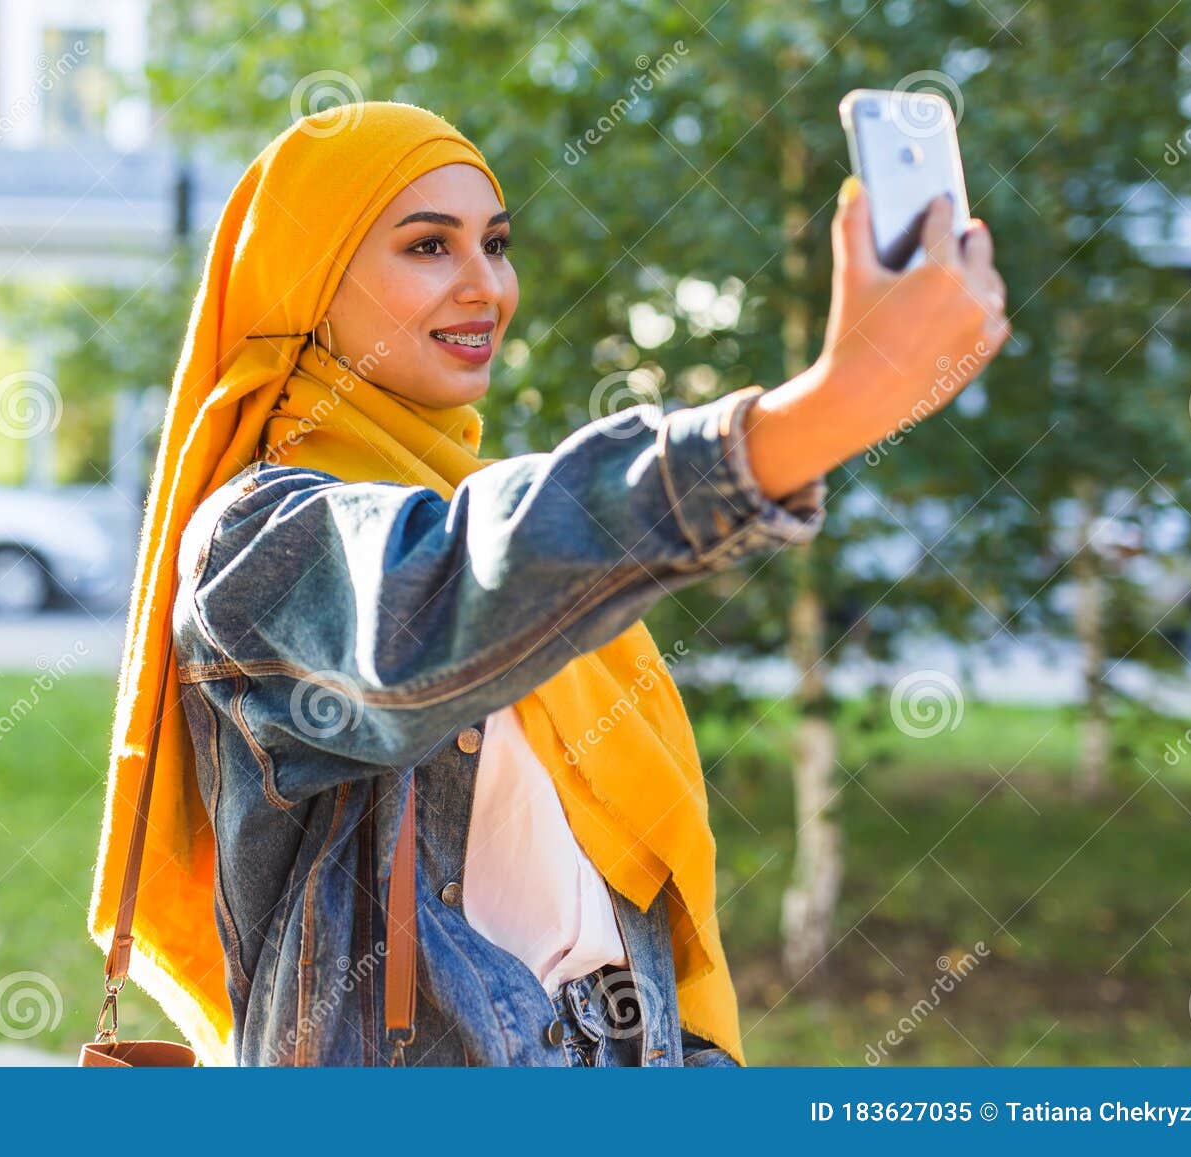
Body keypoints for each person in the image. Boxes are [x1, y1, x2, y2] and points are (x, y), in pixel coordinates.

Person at [87, 100, 1008, 1068]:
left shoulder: (498, 524)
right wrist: (813, 415)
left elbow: (635, 928)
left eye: (495, 242)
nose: (486, 284)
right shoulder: (253, 544)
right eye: (428, 248)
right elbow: (430, 610)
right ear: (312, 282)